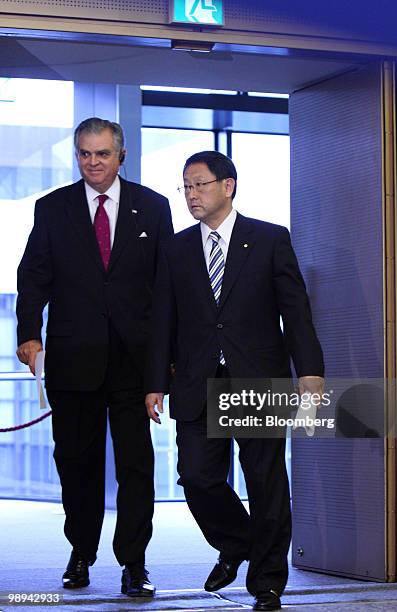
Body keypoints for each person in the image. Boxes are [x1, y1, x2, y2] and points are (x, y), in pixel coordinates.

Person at [145, 151, 324, 611]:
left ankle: (267, 583)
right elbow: (162, 319)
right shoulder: (177, 248)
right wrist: (154, 382)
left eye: (200, 185)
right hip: (196, 380)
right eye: (185, 186)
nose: (191, 195)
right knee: (197, 478)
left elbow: (294, 310)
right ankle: (240, 542)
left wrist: (309, 370)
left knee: (265, 482)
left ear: (228, 186)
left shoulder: (268, 239)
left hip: (256, 379)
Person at [16, 117, 173, 597]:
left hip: (133, 364)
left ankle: (135, 563)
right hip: (72, 359)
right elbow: (33, 276)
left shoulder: (153, 207)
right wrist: (28, 333)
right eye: (84, 154)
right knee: (77, 465)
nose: (92, 162)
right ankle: (80, 553)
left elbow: (167, 290)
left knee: (135, 468)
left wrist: (165, 362)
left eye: (102, 153)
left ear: (120, 155)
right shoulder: (53, 207)